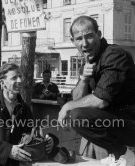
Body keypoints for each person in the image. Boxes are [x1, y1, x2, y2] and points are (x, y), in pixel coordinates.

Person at [58, 16, 135, 166]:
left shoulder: (115, 55)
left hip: (130, 122)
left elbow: (100, 100)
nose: (84, 44)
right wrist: (84, 79)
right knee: (77, 114)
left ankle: (126, 156)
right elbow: (77, 98)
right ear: (73, 41)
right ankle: (118, 154)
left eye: (89, 37)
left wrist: (67, 106)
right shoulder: (89, 62)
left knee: (77, 116)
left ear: (99, 35)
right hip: (114, 124)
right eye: (79, 39)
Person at [0, 63, 56, 166]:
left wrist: (49, 140)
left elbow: (32, 133)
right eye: (14, 78)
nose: (19, 80)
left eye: (20, 76)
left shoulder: (23, 108)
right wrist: (7, 150)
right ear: (2, 83)